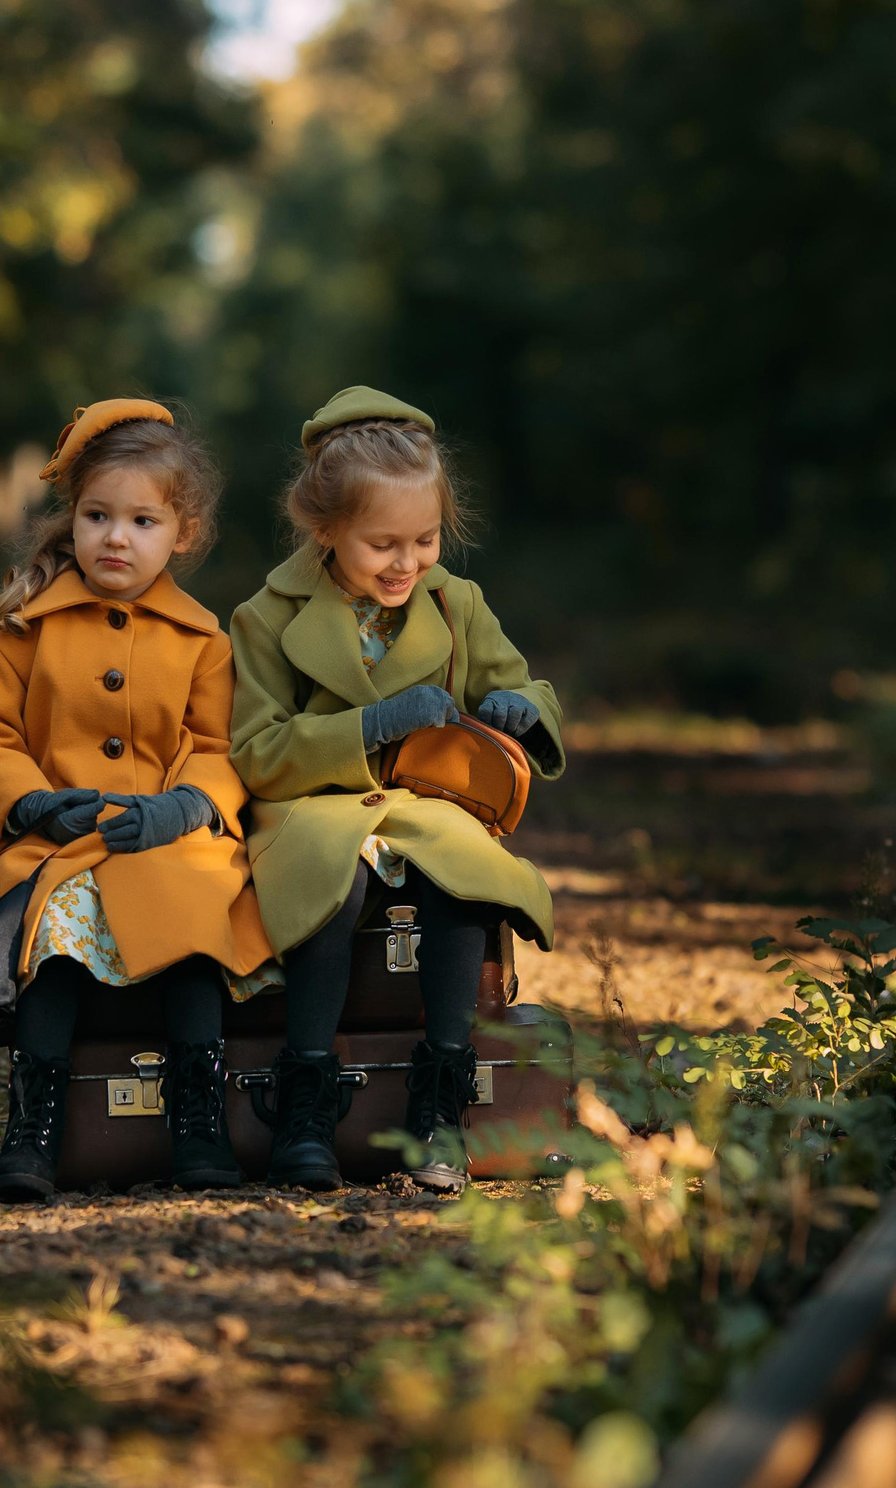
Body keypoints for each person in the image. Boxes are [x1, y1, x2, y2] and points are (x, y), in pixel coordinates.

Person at [228, 387, 564, 1193]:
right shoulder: (265, 618)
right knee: (328, 885)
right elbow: (257, 752)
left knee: (461, 882)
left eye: (425, 538)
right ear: (325, 530)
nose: (407, 562)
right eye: (382, 543)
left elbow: (523, 682)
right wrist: (371, 725)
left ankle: (440, 1104)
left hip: (424, 809)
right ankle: (306, 1098)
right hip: (313, 809)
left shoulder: (456, 603)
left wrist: (524, 708)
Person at [0, 398, 273, 1202]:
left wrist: (189, 806)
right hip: (62, 839)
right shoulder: (22, 629)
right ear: (73, 517)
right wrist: (29, 804)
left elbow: (217, 745)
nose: (116, 537)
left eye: (141, 520)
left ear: (182, 533)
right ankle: (33, 1130)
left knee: (197, 931)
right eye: (97, 515)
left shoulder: (203, 640)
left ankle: (199, 1122)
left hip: (166, 839)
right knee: (53, 942)